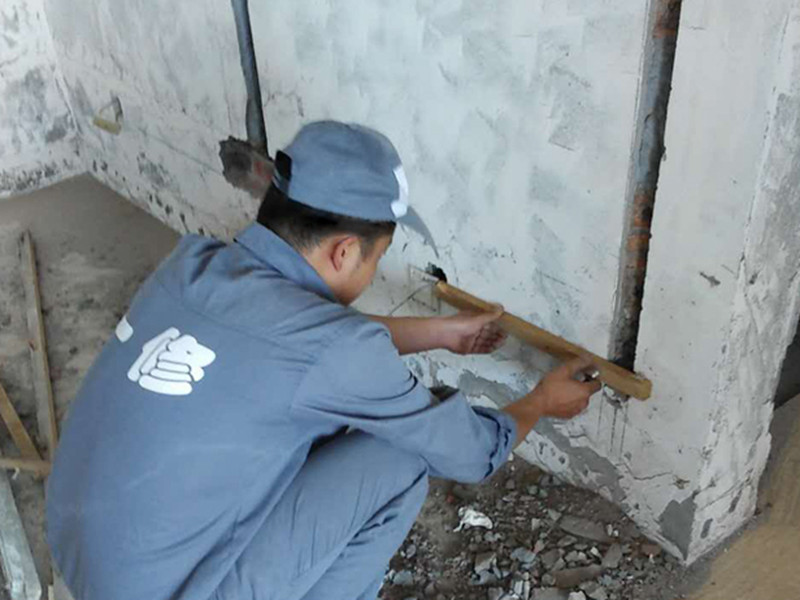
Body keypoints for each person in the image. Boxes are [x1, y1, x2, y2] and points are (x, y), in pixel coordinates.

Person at [46, 121, 601, 600]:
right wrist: (541, 402)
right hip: (165, 590)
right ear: (344, 252)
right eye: (378, 259)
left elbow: (301, 344)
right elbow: (473, 454)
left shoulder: (195, 264)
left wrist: (439, 333)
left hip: (84, 557)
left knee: (318, 425)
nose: (373, 272)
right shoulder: (334, 350)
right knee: (399, 456)